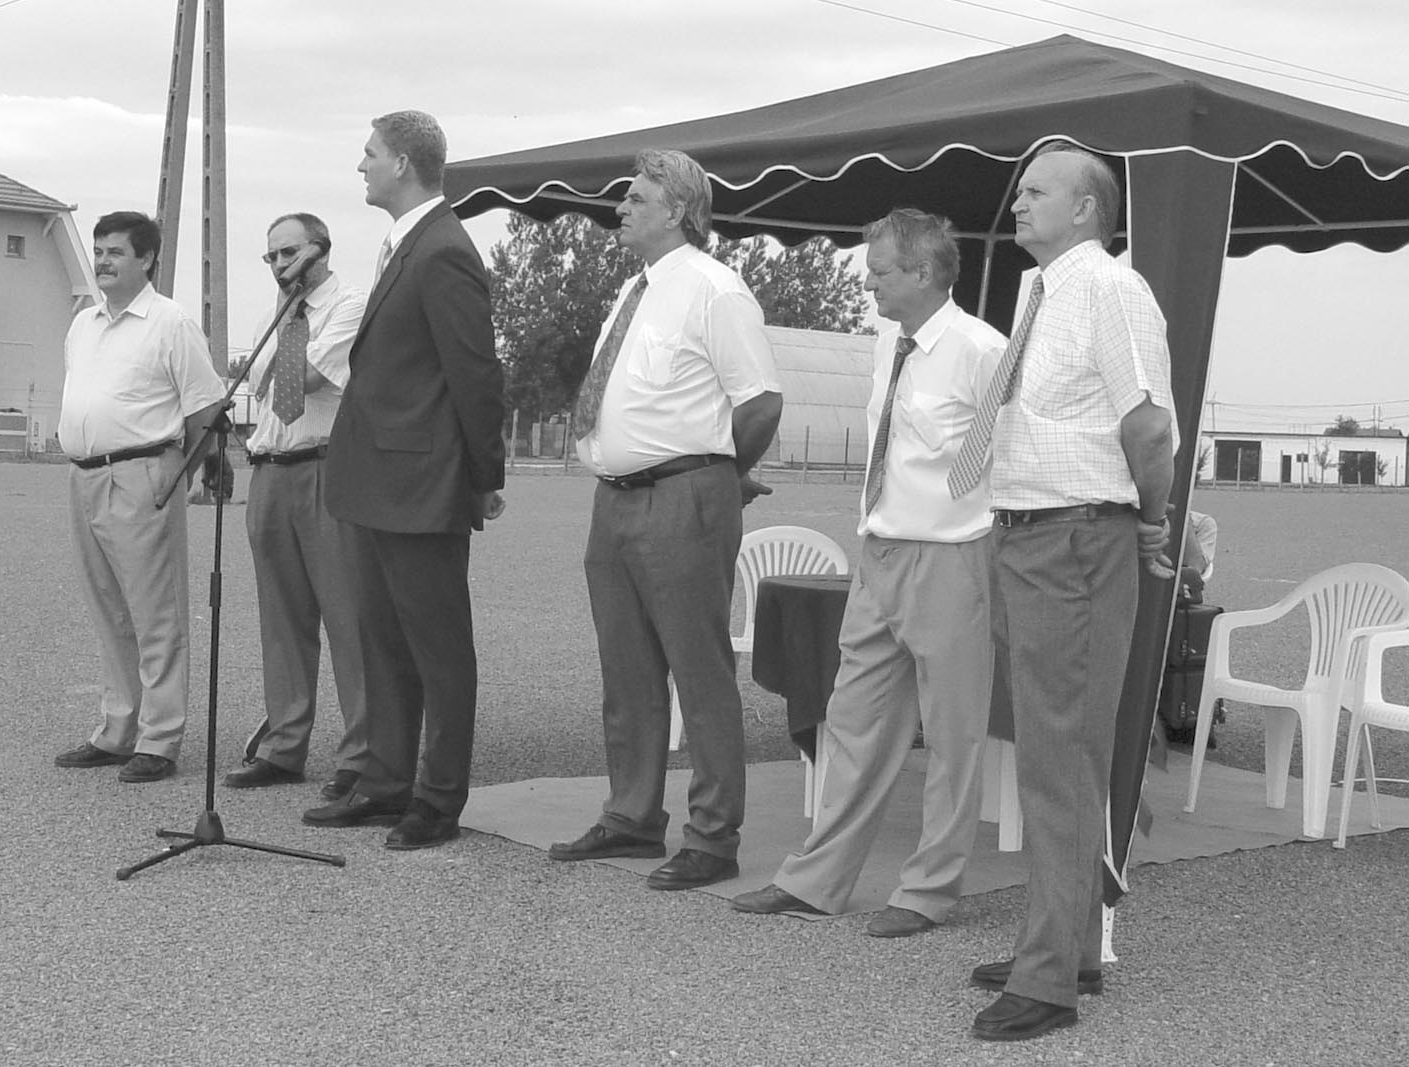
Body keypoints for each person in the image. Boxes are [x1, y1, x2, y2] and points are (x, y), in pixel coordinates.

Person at [947, 141, 1177, 1041]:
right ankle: (1069, 946)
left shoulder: (1110, 289)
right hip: (1032, 531)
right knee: (1058, 754)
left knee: (1058, 760)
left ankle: (1047, 979)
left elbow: (1147, 427)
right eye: (1020, 190)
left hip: (1076, 535)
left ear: (1085, 209)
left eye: (1036, 190)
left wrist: (1149, 520)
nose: (1017, 201)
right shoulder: (1041, 290)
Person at [730, 209, 1004, 933]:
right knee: (853, 721)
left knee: (952, 736)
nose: (868, 284)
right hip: (880, 552)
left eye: (880, 272)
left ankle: (928, 892)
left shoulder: (983, 351)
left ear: (923, 271)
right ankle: (817, 880)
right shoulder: (890, 342)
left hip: (952, 556)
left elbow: (1011, 459)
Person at [548, 149, 783, 891]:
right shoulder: (634, 290)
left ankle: (712, 835)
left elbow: (760, 403)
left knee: (698, 670)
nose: (620, 208)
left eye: (636, 198)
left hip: (682, 497)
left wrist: (719, 477)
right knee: (626, 669)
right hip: (614, 499)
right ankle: (631, 814)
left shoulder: (715, 290)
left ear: (678, 210)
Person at [302, 111, 507, 851]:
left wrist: (483, 476)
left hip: (422, 485)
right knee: (382, 640)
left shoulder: (444, 250)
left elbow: (474, 374)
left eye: (370, 153)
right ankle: (385, 781)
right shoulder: (404, 245)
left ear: (403, 164)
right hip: (376, 481)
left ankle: (438, 797)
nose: (360, 165)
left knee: (437, 649)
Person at [54, 211, 226, 783]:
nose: (103, 261)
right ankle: (117, 729)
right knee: (109, 610)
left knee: (156, 615)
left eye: (116, 252)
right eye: (99, 251)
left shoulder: (170, 323)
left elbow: (205, 410)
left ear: (147, 259)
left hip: (142, 474)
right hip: (84, 477)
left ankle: (160, 738)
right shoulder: (84, 324)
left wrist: (183, 476)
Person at [223, 213, 372, 801]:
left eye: (289, 253)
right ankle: (283, 746)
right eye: (272, 257)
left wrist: (291, 326)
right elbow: (254, 384)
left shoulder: (350, 304)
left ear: (321, 249)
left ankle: (363, 755)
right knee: (281, 620)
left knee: (347, 617)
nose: (280, 266)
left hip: (324, 468)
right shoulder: (277, 315)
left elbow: (306, 377)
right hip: (269, 470)